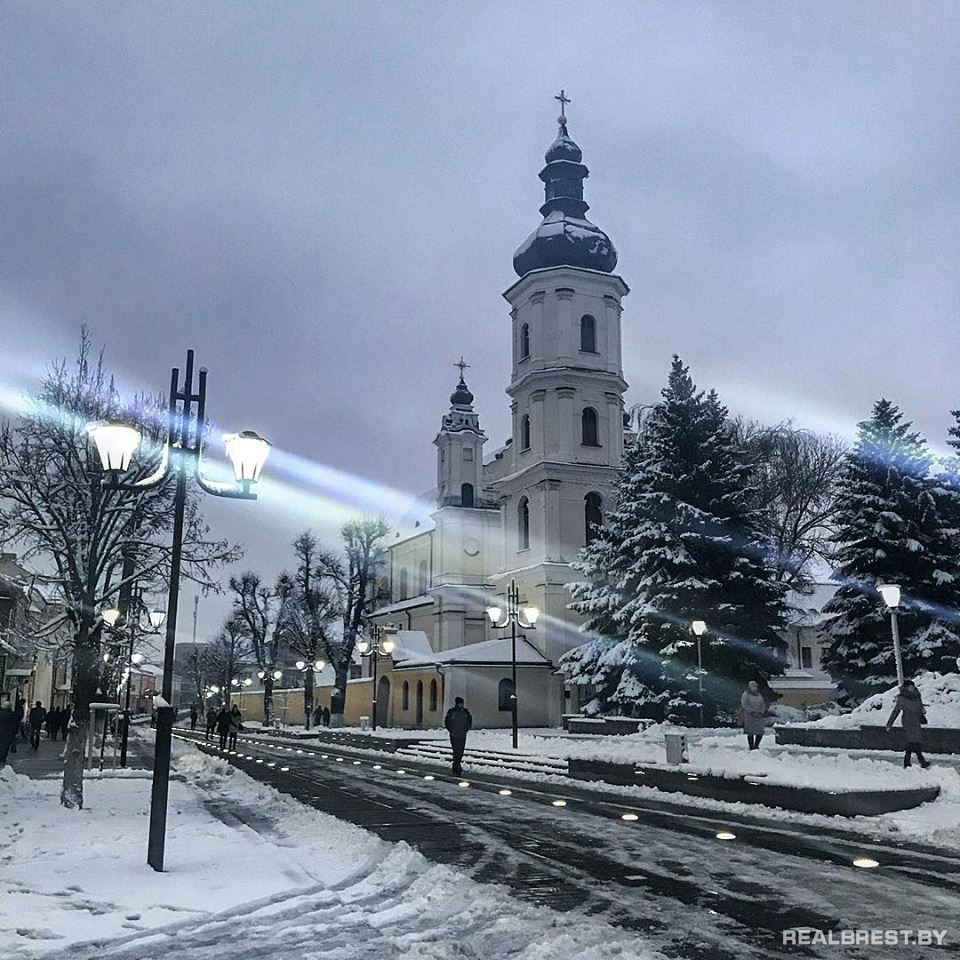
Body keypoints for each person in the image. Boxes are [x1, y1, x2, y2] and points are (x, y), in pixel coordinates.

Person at [886, 679, 930, 769]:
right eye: (910, 687)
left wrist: (922, 711)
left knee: (916, 741)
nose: (912, 688)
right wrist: (889, 723)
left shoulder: (917, 696)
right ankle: (917, 762)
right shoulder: (902, 698)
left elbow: (920, 706)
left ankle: (911, 762)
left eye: (912, 686)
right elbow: (896, 711)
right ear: (906, 688)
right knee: (912, 741)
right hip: (908, 722)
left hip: (916, 721)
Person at [444, 696, 472, 775]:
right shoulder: (455, 711)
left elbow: (469, 721)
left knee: (459, 751)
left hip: (459, 734)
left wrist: (465, 729)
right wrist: (452, 730)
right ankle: (456, 765)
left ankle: (456, 765)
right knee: (457, 750)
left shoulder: (461, 711)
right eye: (461, 703)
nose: (462, 704)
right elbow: (447, 722)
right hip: (456, 734)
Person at [740, 681, 767, 751]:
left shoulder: (759, 694)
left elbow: (762, 703)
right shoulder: (746, 694)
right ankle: (751, 746)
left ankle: (756, 745)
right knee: (750, 732)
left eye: (756, 686)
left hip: (759, 716)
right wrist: (752, 711)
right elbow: (744, 704)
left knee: (760, 731)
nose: (755, 688)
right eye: (753, 686)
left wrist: (761, 711)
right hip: (750, 716)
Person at [0, 697, 18, 764]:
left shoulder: (1, 714)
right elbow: (15, 724)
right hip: (8, 733)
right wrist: (14, 733)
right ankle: (3, 758)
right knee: (5, 746)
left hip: (1, 732)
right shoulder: (12, 715)